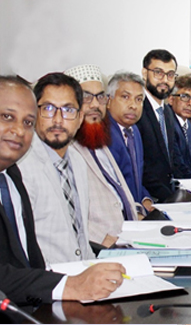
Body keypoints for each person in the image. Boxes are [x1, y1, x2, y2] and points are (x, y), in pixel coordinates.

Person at [0, 75, 125, 306]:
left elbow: (29, 256)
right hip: (43, 294)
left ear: (80, 117)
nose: (18, 130)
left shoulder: (11, 176)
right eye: (7, 117)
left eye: (27, 122)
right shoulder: (22, 168)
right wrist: (68, 285)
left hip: (52, 294)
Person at [18, 73, 94, 263]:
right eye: (48, 108)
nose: (58, 120)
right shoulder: (20, 167)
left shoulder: (78, 161)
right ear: (34, 113)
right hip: (45, 277)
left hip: (83, 271)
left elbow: (81, 237)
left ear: (80, 118)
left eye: (68, 110)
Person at [64, 65, 139, 249]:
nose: (95, 105)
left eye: (100, 97)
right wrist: (101, 238)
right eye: (86, 97)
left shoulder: (100, 140)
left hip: (127, 239)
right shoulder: (65, 149)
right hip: (98, 247)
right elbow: (62, 211)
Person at [105, 72, 154, 210]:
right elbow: (112, 189)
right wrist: (137, 211)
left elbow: (135, 180)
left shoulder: (134, 131)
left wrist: (146, 199)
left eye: (138, 99)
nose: (133, 105)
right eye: (125, 97)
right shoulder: (105, 135)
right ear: (108, 101)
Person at [136, 49, 178, 202]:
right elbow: (142, 168)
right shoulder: (137, 110)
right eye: (158, 73)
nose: (165, 80)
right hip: (148, 198)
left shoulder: (167, 111)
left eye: (170, 74)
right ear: (144, 73)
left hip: (168, 192)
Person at [168, 75, 191, 178]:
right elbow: (177, 166)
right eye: (185, 97)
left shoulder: (189, 125)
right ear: (171, 99)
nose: (190, 103)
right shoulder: (168, 124)